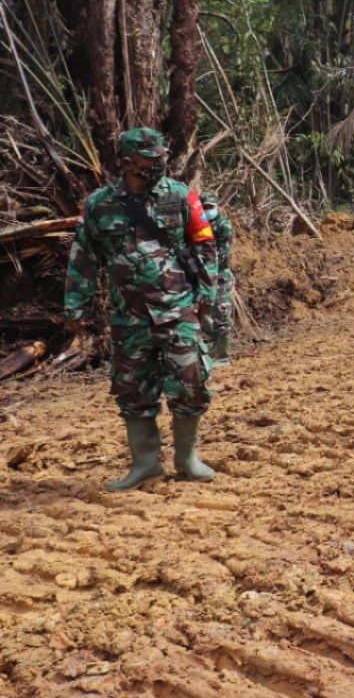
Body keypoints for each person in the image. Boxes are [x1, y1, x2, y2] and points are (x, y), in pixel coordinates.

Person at [64, 128, 219, 491]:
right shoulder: (100, 204)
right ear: (126, 162)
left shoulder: (179, 195)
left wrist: (208, 296)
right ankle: (145, 464)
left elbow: (205, 246)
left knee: (190, 382)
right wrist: (75, 304)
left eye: (161, 155)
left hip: (178, 308)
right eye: (150, 158)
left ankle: (187, 458)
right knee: (133, 390)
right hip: (128, 315)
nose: (159, 163)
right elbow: (84, 257)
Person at [200, 191, 235, 367]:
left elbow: (223, 254)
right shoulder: (198, 228)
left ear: (217, 207)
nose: (208, 211)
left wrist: (203, 261)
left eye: (210, 207)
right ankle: (214, 350)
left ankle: (223, 356)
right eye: (204, 207)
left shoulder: (223, 226)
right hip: (204, 278)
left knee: (222, 314)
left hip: (220, 276)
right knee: (203, 314)